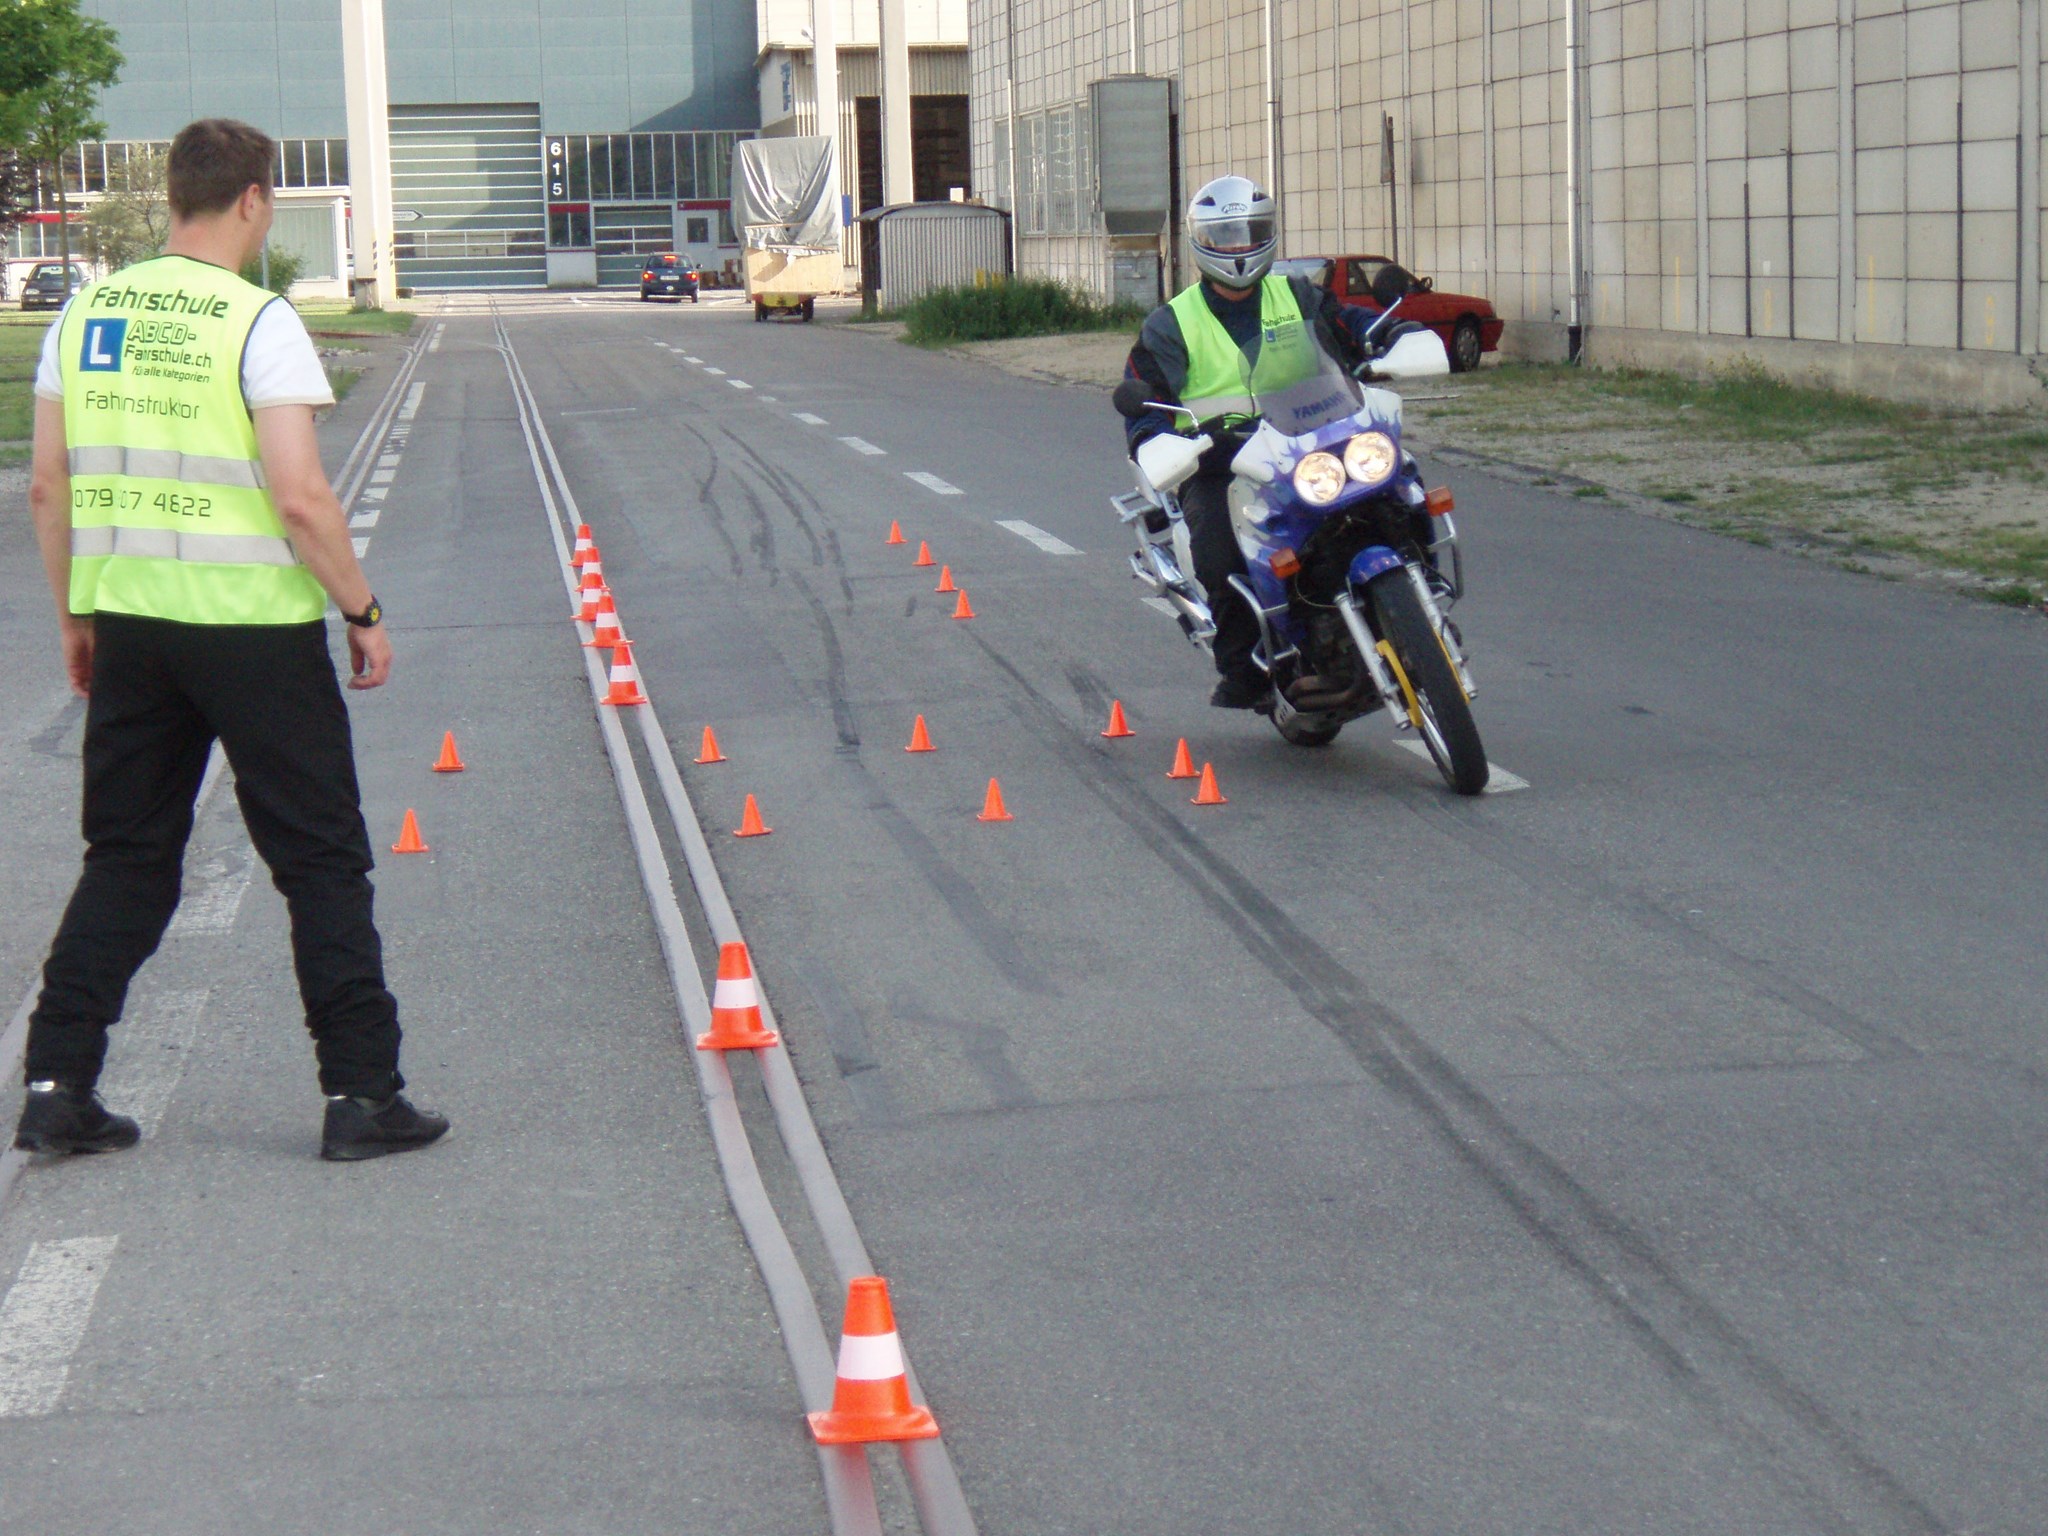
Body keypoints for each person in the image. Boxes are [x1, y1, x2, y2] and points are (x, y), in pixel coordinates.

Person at [14, 118, 447, 1163]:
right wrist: (361, 611)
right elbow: (300, 498)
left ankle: (56, 1081)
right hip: (252, 633)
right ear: (254, 199)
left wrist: (76, 615)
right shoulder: (258, 321)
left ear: (173, 196)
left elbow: (45, 484)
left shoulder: (85, 312)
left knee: (127, 855)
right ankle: (360, 1094)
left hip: (132, 628)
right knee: (321, 861)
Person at [1122, 175, 1378, 708]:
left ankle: (1411, 584)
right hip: (1222, 461)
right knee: (1217, 549)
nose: (1239, 247)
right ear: (1203, 242)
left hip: (1312, 438)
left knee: (1392, 487)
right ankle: (1243, 663)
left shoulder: (1299, 294)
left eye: (1249, 233)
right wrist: (1155, 439)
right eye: (1226, 236)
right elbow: (1145, 394)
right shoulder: (1172, 322)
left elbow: (1349, 325)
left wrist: (1393, 334)